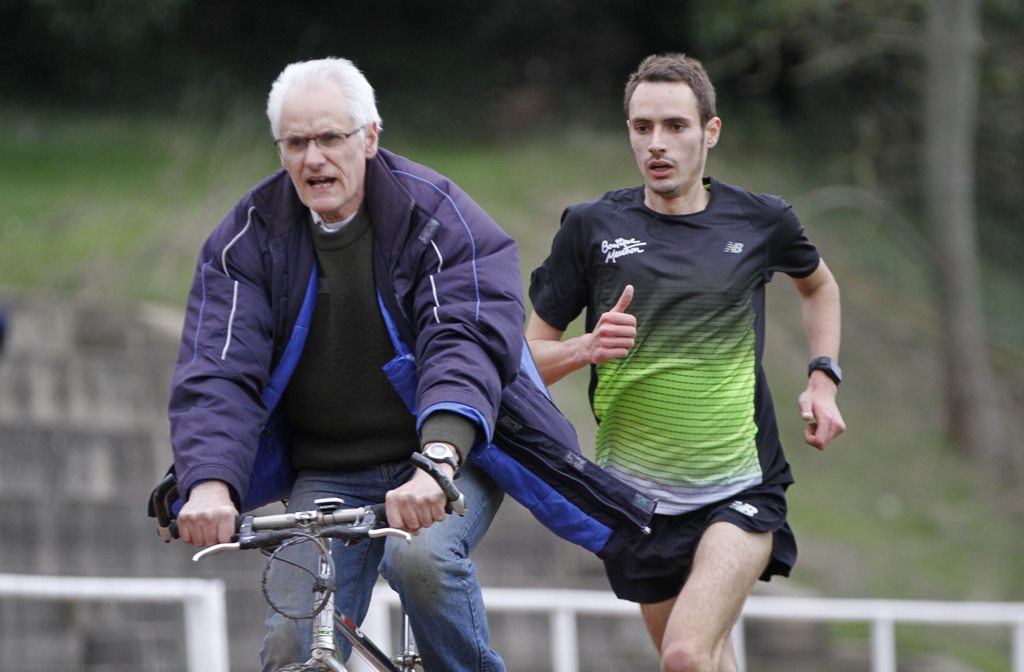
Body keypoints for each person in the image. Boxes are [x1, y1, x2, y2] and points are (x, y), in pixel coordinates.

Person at [168, 57, 521, 671]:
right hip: (330, 470)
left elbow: (462, 339)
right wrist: (208, 483)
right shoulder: (247, 239)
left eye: (330, 137)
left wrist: (436, 460)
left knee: (421, 560)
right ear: (280, 151)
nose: (314, 158)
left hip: (445, 453)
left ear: (370, 138)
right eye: (296, 142)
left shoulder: (435, 215)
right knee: (289, 644)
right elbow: (218, 369)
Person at [525, 53, 846, 672]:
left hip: (740, 486)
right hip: (634, 501)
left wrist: (823, 376)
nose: (657, 144)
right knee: (707, 662)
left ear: (711, 131)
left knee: (684, 655)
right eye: (642, 127)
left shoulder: (761, 222)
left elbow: (819, 287)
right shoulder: (591, 229)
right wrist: (584, 348)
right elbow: (522, 363)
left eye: (675, 126)